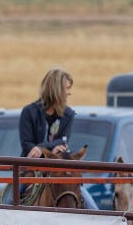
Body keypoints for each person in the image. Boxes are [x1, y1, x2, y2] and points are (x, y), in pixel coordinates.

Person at [18, 67, 96, 210]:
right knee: (9, 199)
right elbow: (27, 145)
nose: (69, 92)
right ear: (56, 89)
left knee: (91, 206)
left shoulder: (68, 114)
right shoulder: (29, 112)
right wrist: (49, 148)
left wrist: (41, 148)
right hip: (31, 170)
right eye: (67, 88)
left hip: (58, 170)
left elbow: (63, 141)